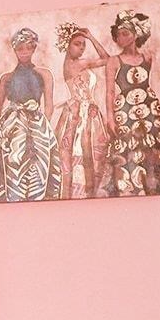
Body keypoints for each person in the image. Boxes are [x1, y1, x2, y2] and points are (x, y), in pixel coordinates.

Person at [0, 28, 62, 202]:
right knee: (13, 160)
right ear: (15, 50)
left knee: (39, 161)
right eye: (20, 49)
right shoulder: (6, 78)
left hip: (36, 122)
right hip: (12, 123)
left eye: (29, 48)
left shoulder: (44, 74)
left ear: (34, 48)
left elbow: (49, 105)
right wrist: (0, 133)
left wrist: (42, 127)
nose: (25, 52)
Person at [100, 10, 160, 196]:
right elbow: (110, 92)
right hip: (126, 110)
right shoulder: (114, 61)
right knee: (128, 149)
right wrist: (110, 117)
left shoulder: (148, 57)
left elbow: (153, 82)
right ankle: (131, 188)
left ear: (136, 34)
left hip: (148, 107)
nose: (120, 38)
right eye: (118, 35)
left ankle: (153, 186)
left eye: (125, 33)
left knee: (152, 148)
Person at [52, 22, 112, 198]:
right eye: (77, 44)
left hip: (87, 111)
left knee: (91, 151)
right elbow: (107, 59)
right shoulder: (76, 64)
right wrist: (90, 36)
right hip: (80, 113)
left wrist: (90, 37)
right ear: (67, 46)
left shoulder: (76, 63)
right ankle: (82, 193)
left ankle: (87, 192)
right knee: (82, 150)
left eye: (83, 45)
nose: (81, 48)